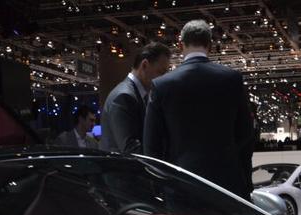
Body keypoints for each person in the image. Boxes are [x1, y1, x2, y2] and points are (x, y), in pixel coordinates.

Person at [143, 19, 254, 199]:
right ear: (210, 45)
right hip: (227, 187)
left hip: (180, 187)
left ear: (181, 45)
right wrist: (246, 182)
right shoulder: (232, 79)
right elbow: (245, 134)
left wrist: (159, 188)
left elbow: (152, 145)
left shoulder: (162, 85)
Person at [99, 42, 170, 154]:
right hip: (121, 165)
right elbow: (131, 150)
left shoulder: (139, 95)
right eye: (161, 72)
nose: (164, 78)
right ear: (144, 65)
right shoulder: (124, 97)